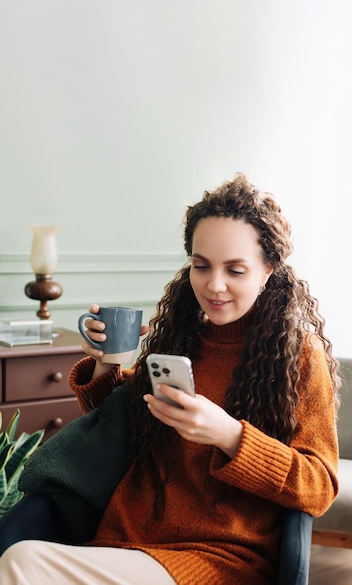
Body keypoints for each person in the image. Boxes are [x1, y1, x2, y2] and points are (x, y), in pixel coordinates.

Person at [0, 173, 340, 584]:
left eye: (235, 270)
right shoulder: (180, 338)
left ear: (268, 269)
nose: (214, 285)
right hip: (126, 541)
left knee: (22, 562)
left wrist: (229, 435)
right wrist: (107, 363)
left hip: (217, 558)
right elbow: (119, 425)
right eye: (201, 266)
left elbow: (319, 487)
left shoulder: (300, 358)